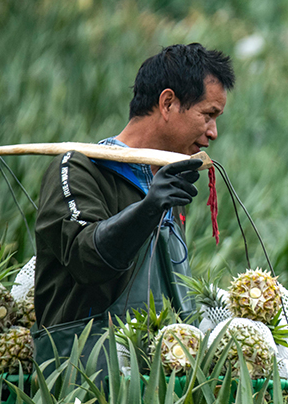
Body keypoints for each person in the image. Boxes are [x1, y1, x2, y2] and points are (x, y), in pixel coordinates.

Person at [33, 43, 235, 373]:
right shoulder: (78, 168)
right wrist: (149, 209)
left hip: (158, 381)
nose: (212, 132)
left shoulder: (168, 181)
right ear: (168, 102)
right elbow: (87, 259)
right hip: (83, 379)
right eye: (208, 114)